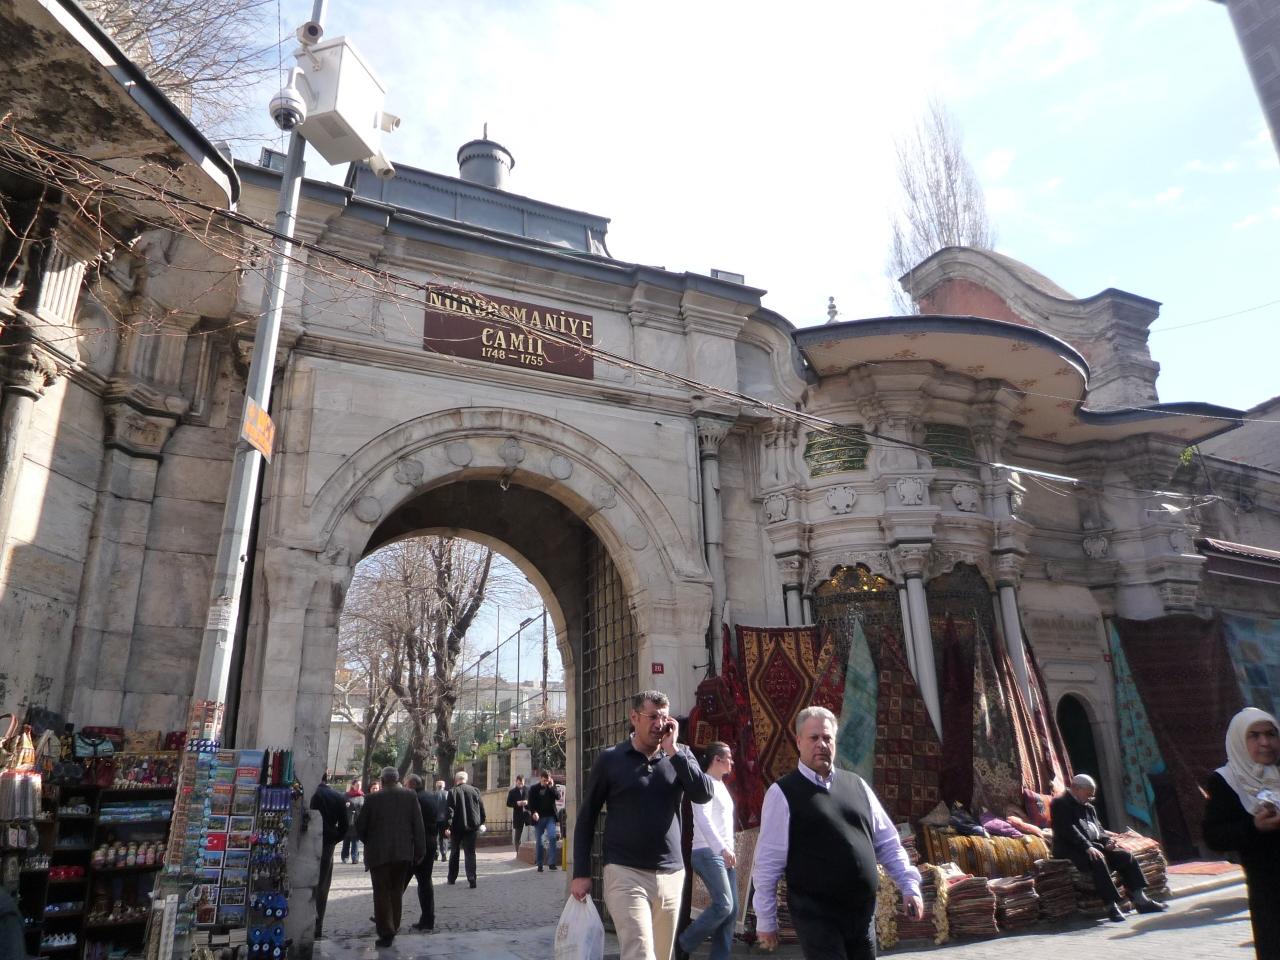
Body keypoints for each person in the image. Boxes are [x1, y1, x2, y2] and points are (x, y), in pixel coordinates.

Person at [752, 706, 922, 960]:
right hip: (816, 916)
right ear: (798, 741)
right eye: (814, 738)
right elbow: (768, 863)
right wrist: (766, 920)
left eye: (827, 738)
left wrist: (909, 885)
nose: (821, 744)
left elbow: (887, 842)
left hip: (861, 915)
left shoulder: (857, 785)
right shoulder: (783, 793)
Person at [571, 690, 714, 960]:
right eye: (653, 717)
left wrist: (674, 751)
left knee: (663, 955)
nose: (659, 724)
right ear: (634, 717)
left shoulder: (680, 755)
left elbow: (703, 794)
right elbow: (587, 816)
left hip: (671, 874)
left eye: (664, 718)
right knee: (640, 953)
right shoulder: (610, 759)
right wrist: (580, 872)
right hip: (625, 873)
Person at [1203, 706, 1280, 959]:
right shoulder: (1226, 781)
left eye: (1271, 734)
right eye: (1254, 736)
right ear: (1239, 741)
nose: (1265, 742)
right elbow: (1214, 835)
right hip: (1269, 889)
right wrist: (1253, 827)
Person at [1050, 773, 1168, 922]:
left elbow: (1099, 829)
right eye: (1088, 794)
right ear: (1076, 789)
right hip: (1071, 848)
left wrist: (1107, 842)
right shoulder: (1060, 804)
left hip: (1093, 845)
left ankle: (1140, 900)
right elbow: (1068, 829)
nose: (1090, 798)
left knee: (1125, 856)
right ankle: (1111, 905)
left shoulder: (1088, 807)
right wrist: (1087, 846)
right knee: (1098, 859)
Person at [677, 742, 738, 960]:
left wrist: (728, 850)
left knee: (731, 912)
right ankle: (683, 943)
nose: (732, 762)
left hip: (724, 854)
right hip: (707, 852)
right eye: (729, 757)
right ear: (717, 760)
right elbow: (703, 819)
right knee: (724, 905)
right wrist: (722, 849)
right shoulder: (703, 784)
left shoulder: (721, 785)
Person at [355, 767, 426, 948]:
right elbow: (418, 825)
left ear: (383, 780)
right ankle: (393, 925)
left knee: (381, 892)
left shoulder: (372, 799)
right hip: (403, 853)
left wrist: (370, 841)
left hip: (378, 854)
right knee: (396, 891)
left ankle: (386, 931)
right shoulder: (410, 796)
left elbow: (360, 827)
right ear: (397, 779)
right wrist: (420, 850)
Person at [309, 772, 350, 940]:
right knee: (322, 885)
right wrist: (334, 838)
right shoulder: (337, 796)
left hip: (307, 842)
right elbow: (345, 825)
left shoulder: (309, 794)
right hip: (327, 844)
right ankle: (317, 926)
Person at [403, 775, 439, 932]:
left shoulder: (414, 799)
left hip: (417, 845)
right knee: (425, 881)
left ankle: (387, 915)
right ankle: (428, 919)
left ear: (411, 785)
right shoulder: (431, 796)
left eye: (405, 784)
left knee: (402, 881)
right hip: (430, 841)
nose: (404, 787)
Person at [446, 769, 486, 888]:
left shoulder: (452, 792)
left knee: (454, 852)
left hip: (456, 827)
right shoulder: (475, 791)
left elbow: (450, 811)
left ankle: (452, 878)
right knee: (470, 853)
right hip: (472, 827)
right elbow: (481, 808)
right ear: (466, 779)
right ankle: (471, 877)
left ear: (456, 780)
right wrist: (481, 822)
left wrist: (448, 826)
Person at [528, 769, 560, 872]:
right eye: (544, 780)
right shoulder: (534, 789)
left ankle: (552, 863)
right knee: (540, 841)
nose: (546, 782)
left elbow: (558, 797)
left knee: (552, 837)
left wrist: (551, 787)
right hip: (539, 818)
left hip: (550, 817)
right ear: (540, 779)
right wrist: (534, 812)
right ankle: (540, 863)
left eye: (547, 780)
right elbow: (530, 803)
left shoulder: (551, 787)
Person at [506, 774, 530, 850]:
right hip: (518, 815)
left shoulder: (528, 790)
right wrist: (517, 803)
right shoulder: (512, 792)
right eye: (519, 783)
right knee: (517, 836)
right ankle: (518, 852)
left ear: (524, 782)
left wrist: (527, 802)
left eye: (522, 783)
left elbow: (533, 800)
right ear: (516, 782)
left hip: (528, 814)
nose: (521, 785)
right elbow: (508, 803)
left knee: (534, 831)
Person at [342, 781, 364, 863]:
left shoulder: (362, 796)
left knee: (356, 840)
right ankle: (345, 857)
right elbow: (341, 806)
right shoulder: (346, 795)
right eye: (357, 785)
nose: (359, 786)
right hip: (347, 821)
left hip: (357, 821)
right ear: (352, 785)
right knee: (346, 840)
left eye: (360, 785)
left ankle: (355, 858)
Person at [433, 779, 450, 861]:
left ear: (436, 786)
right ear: (444, 786)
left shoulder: (433, 794)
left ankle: (435, 854)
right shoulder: (448, 794)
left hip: (434, 819)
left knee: (434, 837)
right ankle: (444, 854)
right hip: (445, 819)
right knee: (444, 837)